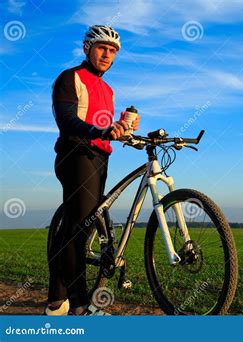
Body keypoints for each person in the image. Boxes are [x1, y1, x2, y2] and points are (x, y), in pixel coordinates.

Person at [46, 25, 139, 316]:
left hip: (99, 158)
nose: (107, 54)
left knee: (78, 229)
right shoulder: (70, 77)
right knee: (79, 229)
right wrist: (100, 130)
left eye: (112, 51)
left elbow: (107, 130)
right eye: (102, 48)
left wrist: (124, 132)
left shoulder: (108, 90)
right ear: (87, 48)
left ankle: (55, 299)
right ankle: (79, 304)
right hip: (75, 153)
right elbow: (67, 120)